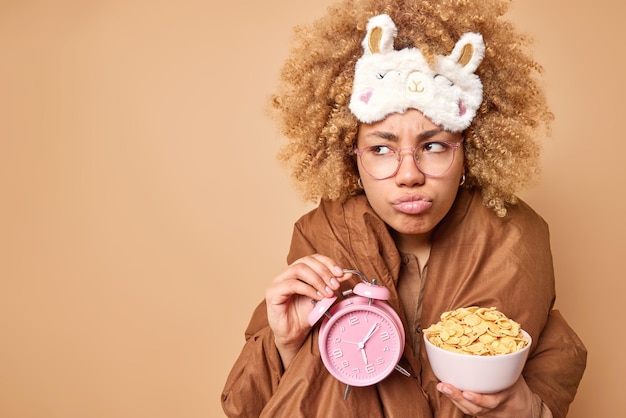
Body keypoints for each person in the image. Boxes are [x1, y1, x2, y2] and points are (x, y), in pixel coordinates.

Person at [221, 0, 587, 416]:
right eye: (381, 148)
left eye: (433, 146)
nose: (408, 174)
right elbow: (246, 404)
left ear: (470, 153)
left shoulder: (517, 236)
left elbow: (553, 360)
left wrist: (530, 410)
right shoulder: (319, 234)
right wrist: (284, 343)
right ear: (351, 158)